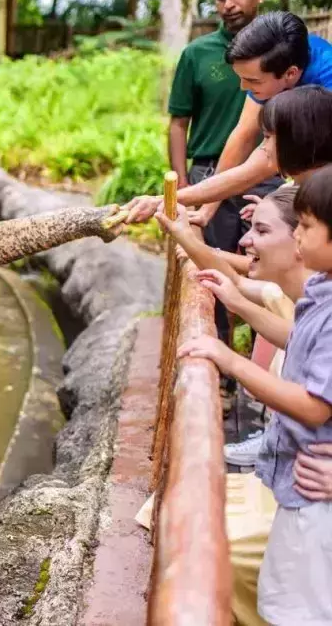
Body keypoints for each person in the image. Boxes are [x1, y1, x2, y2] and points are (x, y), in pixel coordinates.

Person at [178, 167, 332, 624]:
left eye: (306, 226)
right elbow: (293, 337)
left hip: (314, 491)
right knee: (280, 600)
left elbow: (314, 403)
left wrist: (230, 360)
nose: (300, 238)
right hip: (300, 481)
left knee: (297, 611)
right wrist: (240, 306)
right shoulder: (320, 291)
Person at [123, 12, 332, 225]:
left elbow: (265, 163)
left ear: (290, 74)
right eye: (241, 78)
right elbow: (243, 135)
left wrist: (166, 200)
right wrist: (207, 210)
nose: (243, 88)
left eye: (251, 80)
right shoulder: (274, 65)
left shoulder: (325, 84)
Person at [166, 0, 271, 347]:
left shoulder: (282, 52)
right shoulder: (197, 54)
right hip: (208, 174)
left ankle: (268, 369)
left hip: (269, 174)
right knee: (210, 269)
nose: (228, 4)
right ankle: (220, 370)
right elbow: (178, 123)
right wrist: (179, 185)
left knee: (273, 269)